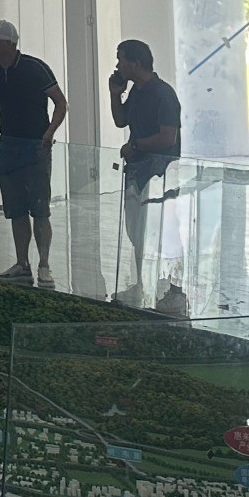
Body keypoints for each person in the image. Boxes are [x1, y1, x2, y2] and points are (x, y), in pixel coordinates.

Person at [0, 20, 66, 285]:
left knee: (40, 209)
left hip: (35, 146)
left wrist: (49, 133)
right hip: (8, 146)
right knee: (16, 209)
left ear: (7, 43)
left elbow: (60, 103)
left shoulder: (34, 68)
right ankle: (23, 264)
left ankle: (44, 265)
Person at [108, 39, 183, 302]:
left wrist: (136, 145)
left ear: (136, 63)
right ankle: (141, 283)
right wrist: (115, 94)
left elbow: (168, 137)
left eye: (121, 59)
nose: (118, 64)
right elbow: (121, 120)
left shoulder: (163, 94)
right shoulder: (137, 92)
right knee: (136, 229)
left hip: (159, 173)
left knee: (161, 229)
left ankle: (173, 289)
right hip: (138, 170)